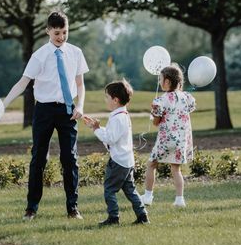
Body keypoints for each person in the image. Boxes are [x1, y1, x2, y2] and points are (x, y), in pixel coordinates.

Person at [3, 10, 88, 221]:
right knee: (38, 159)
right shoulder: (39, 55)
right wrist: (4, 103)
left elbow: (80, 84)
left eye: (65, 32)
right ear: (48, 31)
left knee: (70, 159)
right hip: (44, 111)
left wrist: (80, 106)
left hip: (68, 111)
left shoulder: (76, 52)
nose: (61, 37)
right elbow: (23, 82)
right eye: (57, 33)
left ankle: (72, 208)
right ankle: (31, 208)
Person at [83, 79, 149, 226]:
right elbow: (113, 136)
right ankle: (142, 215)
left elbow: (111, 139)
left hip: (118, 161)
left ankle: (114, 217)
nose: (105, 100)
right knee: (130, 190)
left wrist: (96, 130)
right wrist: (97, 127)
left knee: (109, 190)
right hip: (127, 161)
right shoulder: (122, 115)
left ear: (115, 100)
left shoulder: (117, 118)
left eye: (107, 97)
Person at [142, 65, 195, 208]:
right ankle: (180, 200)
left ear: (166, 82)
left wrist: (154, 115)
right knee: (176, 169)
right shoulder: (187, 98)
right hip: (180, 141)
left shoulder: (161, 100)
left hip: (165, 140)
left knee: (152, 164)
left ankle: (147, 196)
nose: (159, 82)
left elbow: (156, 123)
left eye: (160, 79)